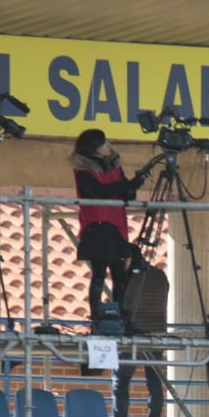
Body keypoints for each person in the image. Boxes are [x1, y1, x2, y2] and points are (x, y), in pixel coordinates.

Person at [67, 129, 155, 315]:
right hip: (97, 226)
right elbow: (100, 192)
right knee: (99, 275)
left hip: (117, 226)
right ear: (95, 149)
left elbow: (124, 193)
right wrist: (128, 184)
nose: (109, 146)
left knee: (120, 276)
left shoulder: (114, 166)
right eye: (104, 143)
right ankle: (97, 316)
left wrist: (134, 184)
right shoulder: (83, 171)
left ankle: (120, 315)